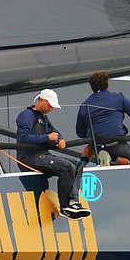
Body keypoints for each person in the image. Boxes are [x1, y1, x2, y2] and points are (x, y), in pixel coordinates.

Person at [16, 89, 90, 219]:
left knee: (77, 164)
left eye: (52, 106)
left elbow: (55, 132)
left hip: (43, 155)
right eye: (50, 105)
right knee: (66, 167)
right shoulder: (26, 115)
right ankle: (65, 206)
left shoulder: (43, 118)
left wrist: (60, 139)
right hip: (29, 158)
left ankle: (73, 201)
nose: (51, 109)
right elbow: (23, 138)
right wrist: (47, 138)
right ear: (41, 100)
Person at [75, 71, 130, 165]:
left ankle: (82, 165)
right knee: (128, 159)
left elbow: (80, 133)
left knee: (90, 146)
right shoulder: (119, 98)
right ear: (107, 84)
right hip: (117, 143)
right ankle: (114, 162)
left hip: (97, 145)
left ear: (91, 87)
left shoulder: (84, 105)